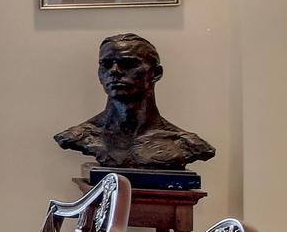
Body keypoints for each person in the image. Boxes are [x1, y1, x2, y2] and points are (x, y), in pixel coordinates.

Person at [54, 34, 216, 171]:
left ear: (156, 73)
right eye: (106, 65)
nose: (114, 71)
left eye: (129, 64)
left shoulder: (184, 144)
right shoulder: (80, 135)